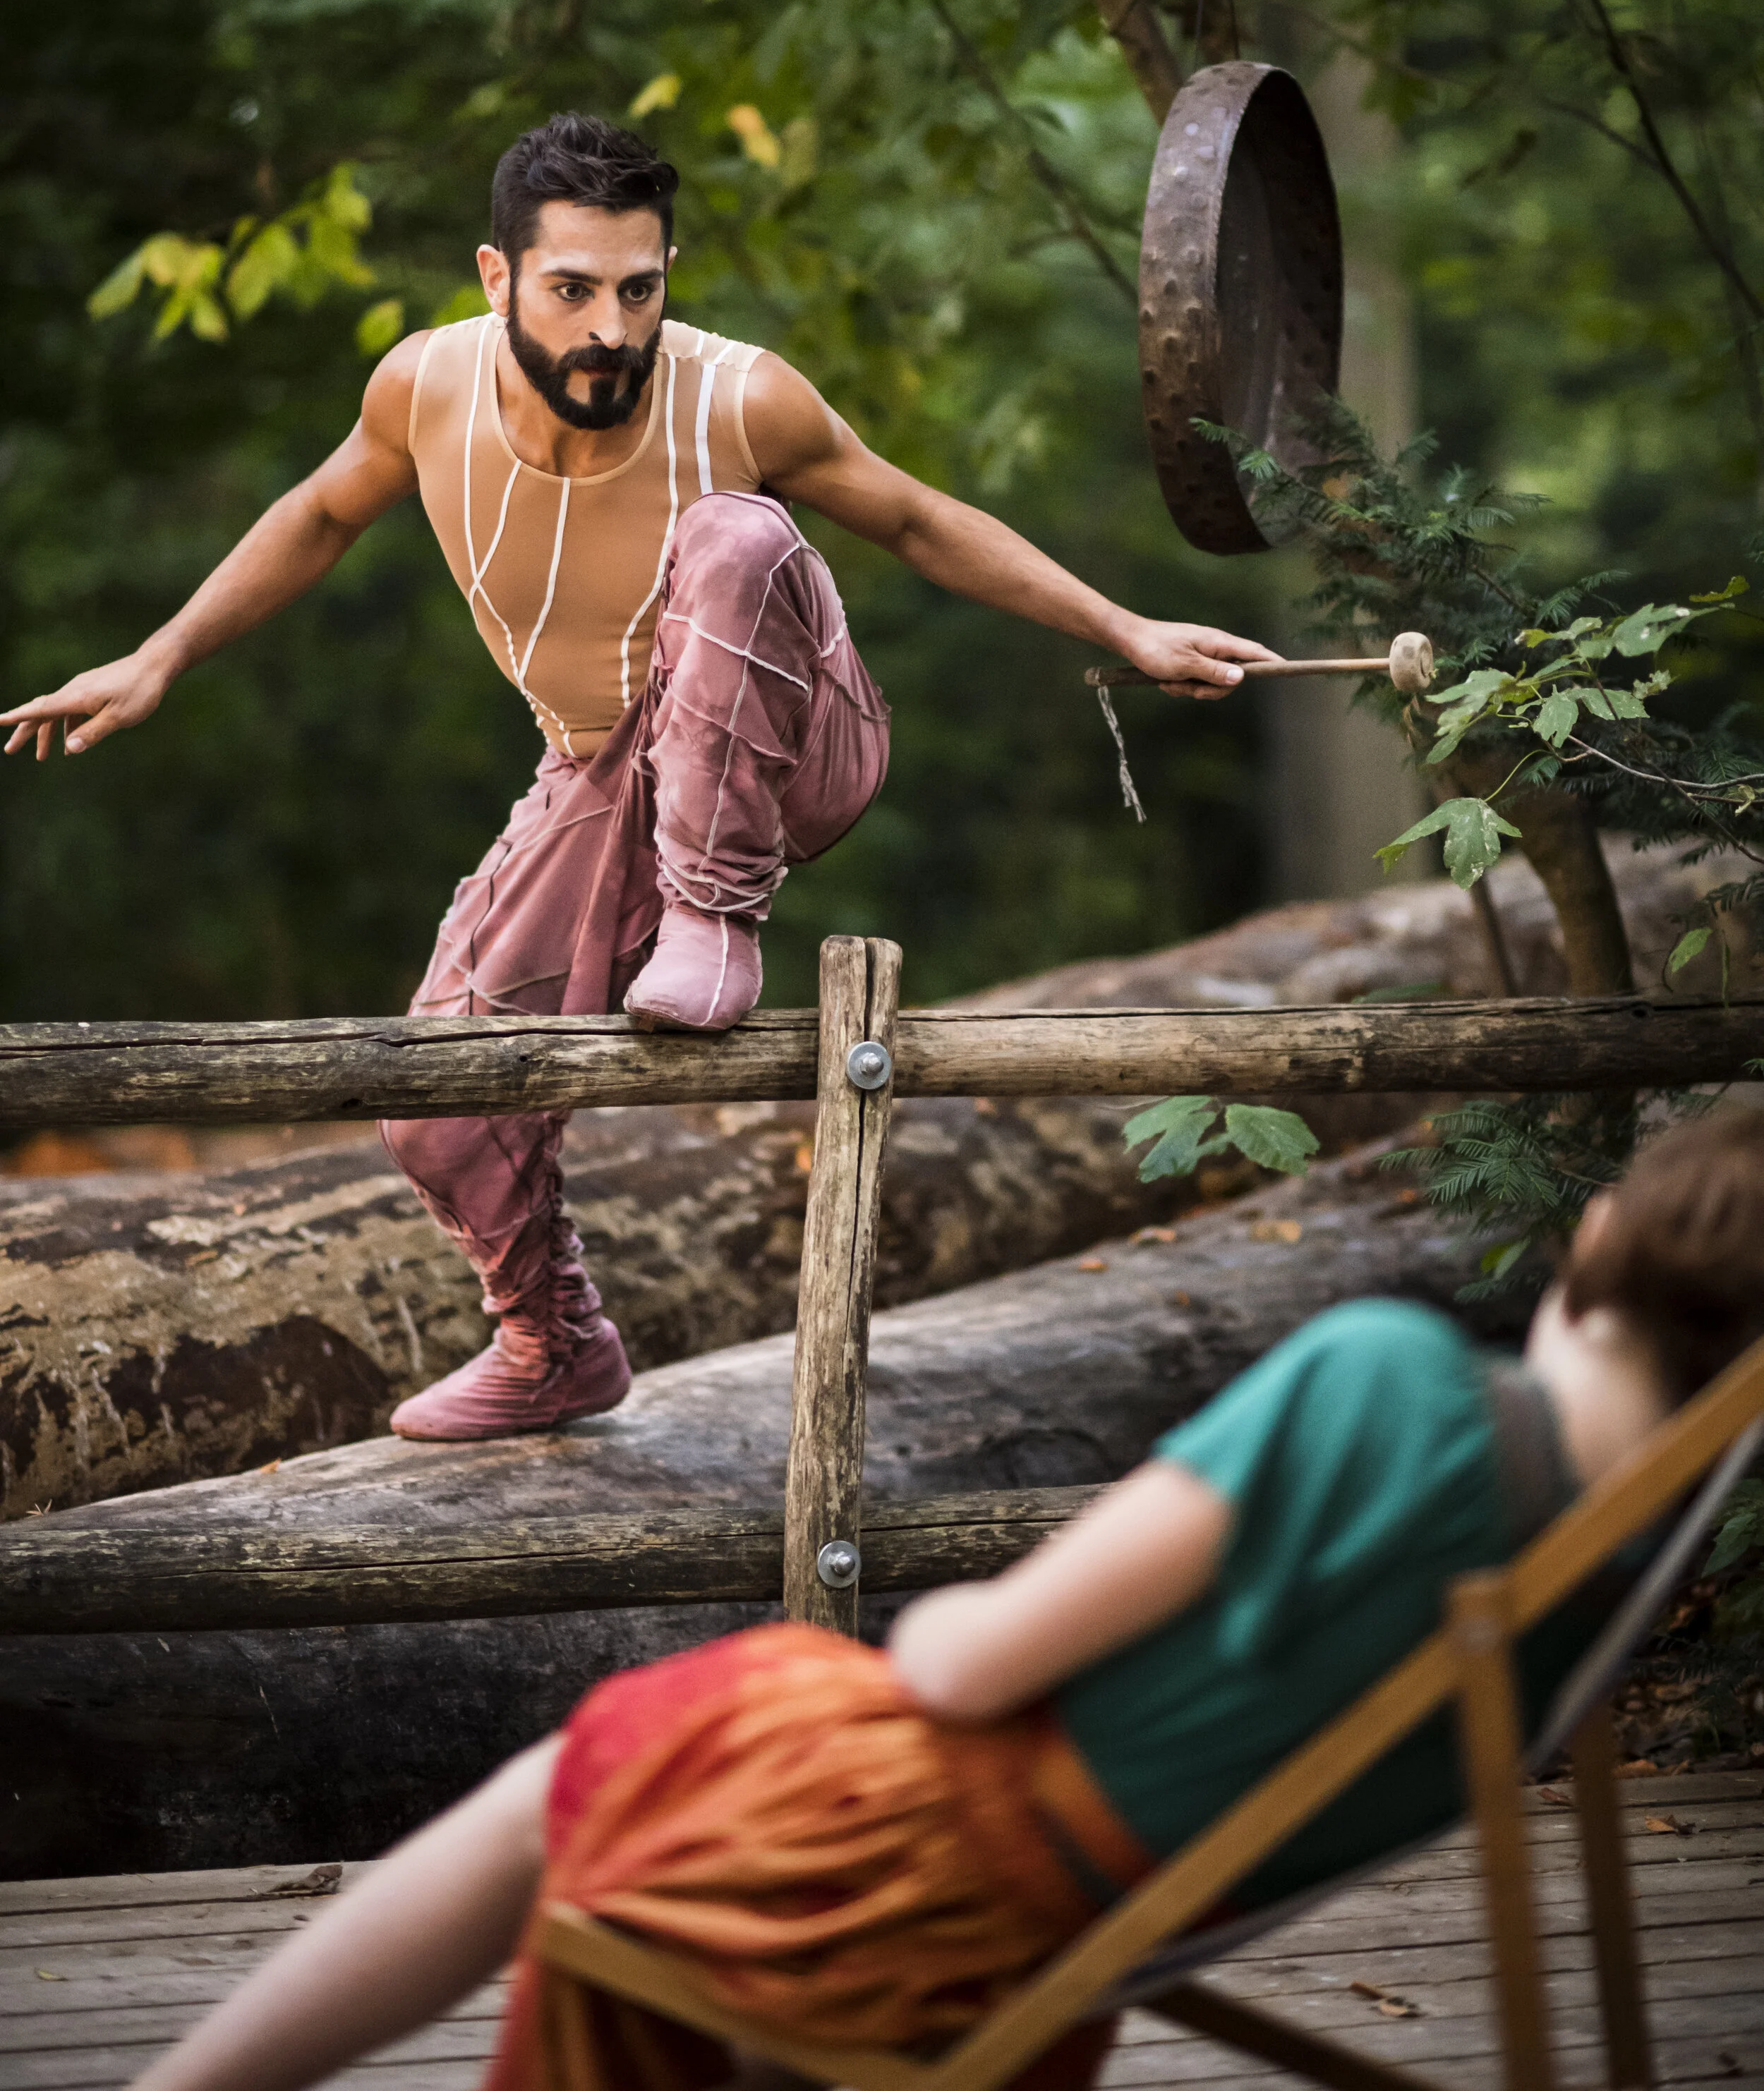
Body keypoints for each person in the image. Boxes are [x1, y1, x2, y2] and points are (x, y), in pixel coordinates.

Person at [1, 113, 1276, 1441]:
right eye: (573, 289)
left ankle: (714, 913)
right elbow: (321, 514)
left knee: (732, 530)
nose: (612, 325)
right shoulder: (422, 390)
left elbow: (909, 516)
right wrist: (161, 656)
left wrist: (1125, 629)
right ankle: (553, 1340)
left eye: (640, 287)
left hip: (803, 743)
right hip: (609, 771)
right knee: (438, 1104)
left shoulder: (741, 395)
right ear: (498, 278)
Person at [126, 1108, 1764, 2091]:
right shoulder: (1608, 1581)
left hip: (947, 1864)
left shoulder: (1390, 1381)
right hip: (1102, 1928)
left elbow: (971, 1671)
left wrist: (963, 1617)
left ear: (1605, 1230)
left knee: (608, 1765)